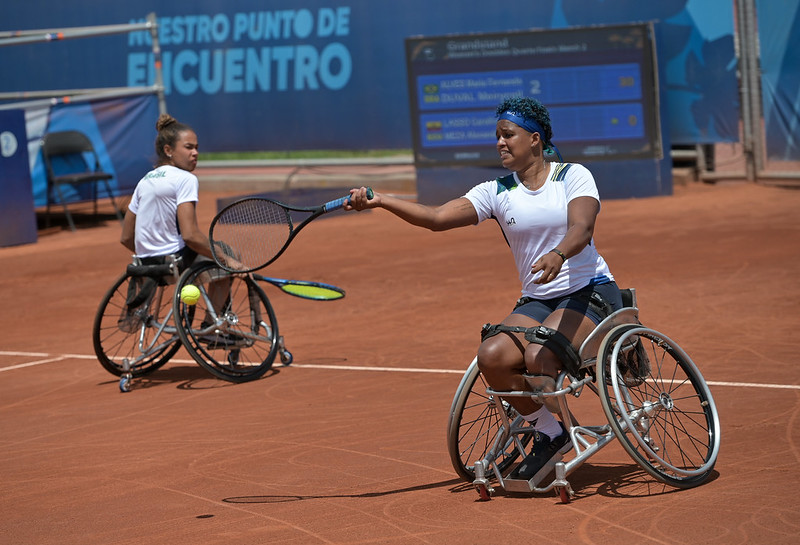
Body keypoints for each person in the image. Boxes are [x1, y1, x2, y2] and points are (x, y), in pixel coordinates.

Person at [346, 97, 623, 481]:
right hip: (539, 300)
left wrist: (559, 254)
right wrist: (381, 201)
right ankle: (552, 432)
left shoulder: (572, 176)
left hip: (589, 291)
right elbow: (437, 217)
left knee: (540, 354)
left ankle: (570, 411)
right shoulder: (496, 191)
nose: (500, 143)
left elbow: (582, 227)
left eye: (508, 134)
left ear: (535, 139)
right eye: (497, 136)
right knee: (491, 355)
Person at [120, 114, 238, 344]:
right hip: (175, 263)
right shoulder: (185, 179)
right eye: (188, 147)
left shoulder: (145, 181)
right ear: (168, 150)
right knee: (231, 254)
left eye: (196, 148)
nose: (195, 153)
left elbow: (126, 237)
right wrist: (227, 259)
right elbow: (191, 236)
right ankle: (213, 328)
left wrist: (151, 255)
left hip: (145, 267)